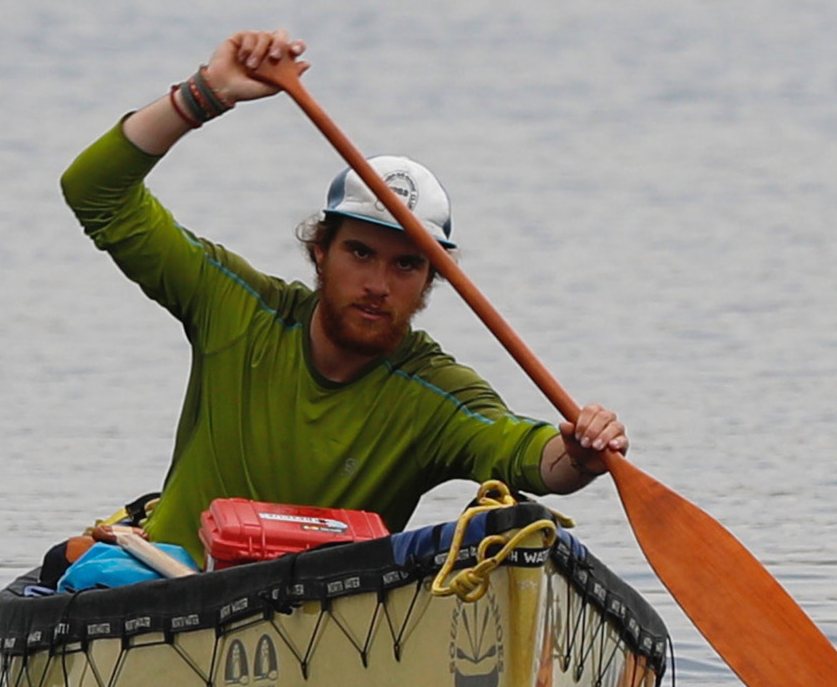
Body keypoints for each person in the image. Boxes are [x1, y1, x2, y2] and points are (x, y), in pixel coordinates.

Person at [60, 29, 627, 564]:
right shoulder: (234, 308)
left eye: (407, 264)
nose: (379, 284)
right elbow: (96, 194)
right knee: (76, 562)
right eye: (360, 253)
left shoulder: (433, 396)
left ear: (431, 279)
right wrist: (204, 95)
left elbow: (528, 453)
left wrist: (579, 451)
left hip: (325, 622)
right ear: (320, 252)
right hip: (167, 585)